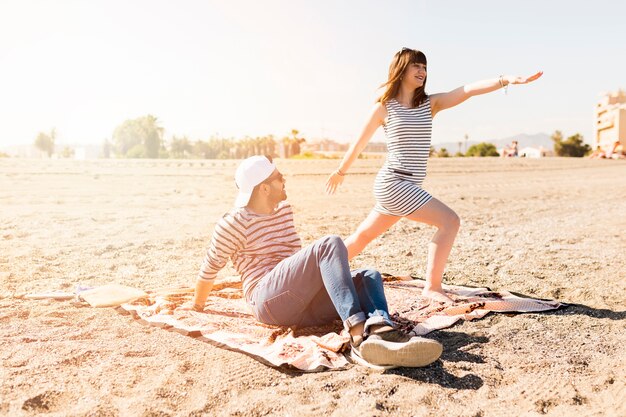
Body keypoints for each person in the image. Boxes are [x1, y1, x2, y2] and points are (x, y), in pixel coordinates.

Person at [325, 47, 543, 303]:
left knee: (363, 237)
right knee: (450, 221)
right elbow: (358, 144)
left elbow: (467, 90)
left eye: (424, 67)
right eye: (416, 66)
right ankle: (433, 287)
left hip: (406, 185)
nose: (422, 71)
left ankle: (318, 271)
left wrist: (505, 79)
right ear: (400, 69)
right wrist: (340, 171)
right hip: (394, 182)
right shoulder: (384, 108)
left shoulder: (430, 104)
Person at [189, 155, 443, 368]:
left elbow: (298, 267)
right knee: (330, 243)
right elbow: (210, 268)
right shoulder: (233, 223)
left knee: (369, 276)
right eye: (278, 177)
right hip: (267, 301)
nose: (283, 179)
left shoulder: (284, 211)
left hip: (303, 305)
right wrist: (197, 305)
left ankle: (380, 333)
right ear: (264, 187)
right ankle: (357, 333)